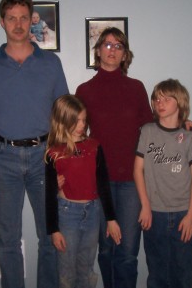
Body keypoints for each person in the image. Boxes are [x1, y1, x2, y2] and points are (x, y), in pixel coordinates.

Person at [75, 27, 192, 288]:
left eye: (118, 46)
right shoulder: (84, 90)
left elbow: (152, 124)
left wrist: (184, 123)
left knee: (128, 253)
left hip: (133, 182)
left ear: (124, 55)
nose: (112, 49)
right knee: (107, 250)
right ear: (98, 51)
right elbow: (76, 131)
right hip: (99, 183)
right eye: (107, 44)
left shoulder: (136, 88)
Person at [0, 0, 68, 288]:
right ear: (2, 22)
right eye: (12, 18)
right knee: (8, 240)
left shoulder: (51, 63)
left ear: (31, 20)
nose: (19, 23)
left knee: (51, 234)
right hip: (4, 158)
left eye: (24, 17)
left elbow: (64, 115)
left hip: (44, 157)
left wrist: (63, 162)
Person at [133, 79, 192, 288]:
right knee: (157, 270)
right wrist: (145, 206)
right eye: (156, 99)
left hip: (183, 213)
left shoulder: (190, 136)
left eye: (166, 98)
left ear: (180, 102)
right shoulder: (146, 131)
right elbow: (138, 170)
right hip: (154, 214)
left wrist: (191, 215)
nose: (159, 103)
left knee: (182, 269)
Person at [45, 95, 122, 288]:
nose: (82, 125)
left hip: (93, 212)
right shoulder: (53, 153)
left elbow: (103, 184)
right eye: (76, 120)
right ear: (63, 121)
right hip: (67, 214)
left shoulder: (94, 147)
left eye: (83, 120)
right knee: (67, 271)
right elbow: (49, 195)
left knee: (86, 268)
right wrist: (53, 230)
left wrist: (111, 219)